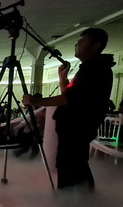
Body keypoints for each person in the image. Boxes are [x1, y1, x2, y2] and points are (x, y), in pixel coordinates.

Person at [23, 27, 114, 191]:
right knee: (73, 164)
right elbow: (70, 94)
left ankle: (73, 201)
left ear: (96, 46)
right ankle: (78, 199)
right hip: (74, 127)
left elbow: (70, 99)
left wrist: (36, 100)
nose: (77, 44)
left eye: (83, 41)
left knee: (71, 166)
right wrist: (63, 78)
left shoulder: (95, 69)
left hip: (78, 126)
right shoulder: (90, 67)